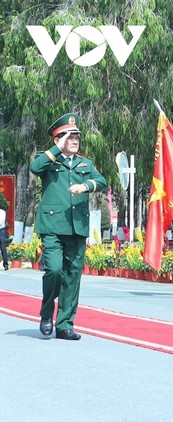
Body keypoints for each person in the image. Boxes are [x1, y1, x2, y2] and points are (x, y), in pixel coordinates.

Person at [31, 112, 107, 340]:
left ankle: (64, 325)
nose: (74, 141)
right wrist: (57, 149)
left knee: (73, 276)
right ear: (57, 140)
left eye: (76, 137)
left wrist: (86, 186)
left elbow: (101, 181)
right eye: (68, 137)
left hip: (76, 227)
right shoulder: (48, 161)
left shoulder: (86, 163)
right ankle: (46, 313)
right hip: (53, 226)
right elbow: (35, 168)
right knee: (54, 270)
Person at [0, 204, 8, 270]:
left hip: (1, 230)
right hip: (2, 230)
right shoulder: (3, 212)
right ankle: (5, 264)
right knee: (3, 248)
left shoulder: (2, 212)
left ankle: (5, 264)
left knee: (3, 248)